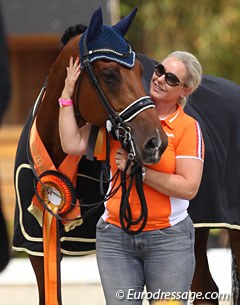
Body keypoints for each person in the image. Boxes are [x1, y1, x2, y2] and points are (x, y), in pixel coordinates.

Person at [58, 51, 204, 305]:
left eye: (171, 79)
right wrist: (67, 95)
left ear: (185, 90)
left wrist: (140, 171)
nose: (159, 79)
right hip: (115, 239)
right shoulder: (120, 117)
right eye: (159, 70)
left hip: (167, 240)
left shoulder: (187, 128)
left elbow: (189, 188)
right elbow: (72, 143)